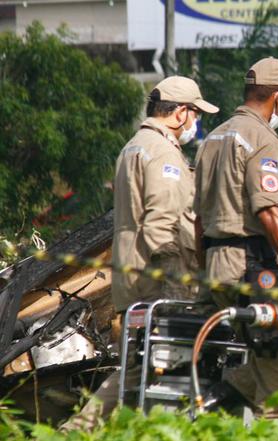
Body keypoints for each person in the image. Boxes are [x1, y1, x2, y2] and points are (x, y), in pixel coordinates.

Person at [61, 76, 218, 431]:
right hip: (157, 278)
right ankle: (76, 432)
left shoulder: (134, 146)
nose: (195, 123)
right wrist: (183, 278)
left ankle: (86, 431)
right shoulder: (164, 153)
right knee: (162, 365)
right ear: (179, 113)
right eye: (195, 114)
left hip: (131, 274)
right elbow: (162, 222)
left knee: (136, 369)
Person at [193, 57, 278, 409]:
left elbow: (197, 218)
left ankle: (216, 404)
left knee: (263, 359)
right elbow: (268, 209)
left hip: (218, 268)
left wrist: (202, 274)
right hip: (252, 270)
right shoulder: (262, 139)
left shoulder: (214, 137)